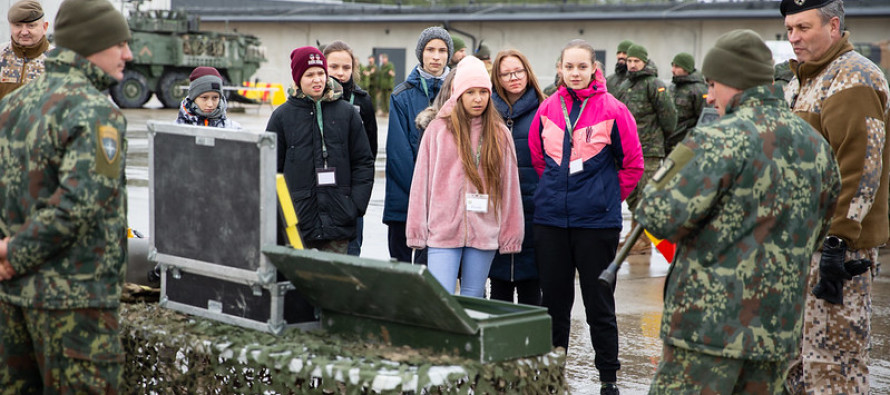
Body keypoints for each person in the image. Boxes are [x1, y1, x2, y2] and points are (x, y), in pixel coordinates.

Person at [635, 29, 841, 394]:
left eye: (713, 84)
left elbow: (655, 214)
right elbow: (818, 231)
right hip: (776, 332)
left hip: (706, 334)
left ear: (735, 81)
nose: (709, 95)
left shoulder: (717, 140)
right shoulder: (818, 147)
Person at [0, 0, 133, 392]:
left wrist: (7, 256)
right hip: (75, 304)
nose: (128, 54)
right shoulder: (95, 111)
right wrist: (14, 253)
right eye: (119, 43)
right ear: (92, 44)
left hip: (12, 296)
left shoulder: (12, 105)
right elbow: (78, 205)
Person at [779, 1, 890, 393]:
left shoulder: (853, 77)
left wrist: (838, 241)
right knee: (797, 368)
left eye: (803, 27)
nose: (794, 37)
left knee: (834, 368)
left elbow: (861, 166)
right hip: (800, 244)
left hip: (835, 252)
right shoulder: (803, 80)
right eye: (789, 28)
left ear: (833, 26)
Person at [529, 39, 643, 395]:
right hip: (551, 223)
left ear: (595, 69)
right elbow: (538, 160)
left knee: (599, 306)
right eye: (569, 67)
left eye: (582, 67)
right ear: (560, 69)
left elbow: (633, 165)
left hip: (596, 226)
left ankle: (608, 378)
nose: (575, 73)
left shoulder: (614, 109)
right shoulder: (547, 108)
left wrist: (605, 200)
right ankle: (551, 375)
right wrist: (557, 196)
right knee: (554, 305)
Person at [406, 56, 523, 298]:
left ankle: (470, 337)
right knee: (442, 297)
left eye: (483, 92)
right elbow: (421, 184)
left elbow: (510, 187)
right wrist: (416, 230)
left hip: (484, 228)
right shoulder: (437, 130)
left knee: (473, 296)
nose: (478, 98)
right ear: (458, 93)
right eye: (470, 92)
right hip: (443, 229)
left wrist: (511, 234)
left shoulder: (499, 133)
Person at [266, 46, 374, 254]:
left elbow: (363, 162)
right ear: (298, 79)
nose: (317, 79)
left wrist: (354, 206)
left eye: (321, 73)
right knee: (298, 284)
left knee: (336, 284)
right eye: (309, 75)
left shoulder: (348, 114)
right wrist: (281, 213)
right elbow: (270, 170)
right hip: (297, 223)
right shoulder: (282, 117)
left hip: (339, 220)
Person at [384, 26, 453, 264]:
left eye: (442, 50)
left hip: (444, 201)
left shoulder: (458, 93)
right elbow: (397, 153)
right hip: (405, 198)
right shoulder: (402, 95)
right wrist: (420, 190)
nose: (436, 56)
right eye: (430, 49)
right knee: (402, 270)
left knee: (434, 269)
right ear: (420, 53)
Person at [487, 49, 547, 306]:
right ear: (497, 79)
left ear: (528, 72)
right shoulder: (487, 111)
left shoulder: (545, 109)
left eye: (518, 71)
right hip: (496, 209)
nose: (513, 78)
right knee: (498, 287)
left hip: (534, 208)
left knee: (531, 287)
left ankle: (530, 346)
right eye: (506, 73)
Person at [614, 43, 677, 255]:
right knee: (631, 195)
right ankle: (636, 236)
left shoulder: (654, 84)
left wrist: (662, 140)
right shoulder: (625, 85)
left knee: (644, 195)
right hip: (628, 149)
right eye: (630, 61)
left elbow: (668, 116)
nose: (632, 65)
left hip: (649, 149)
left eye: (636, 61)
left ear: (644, 61)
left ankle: (642, 240)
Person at [323, 40, 378, 257]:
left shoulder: (362, 102)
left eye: (346, 68)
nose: (340, 73)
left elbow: (370, 152)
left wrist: (358, 199)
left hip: (350, 195)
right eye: (334, 67)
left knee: (351, 254)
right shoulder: (314, 101)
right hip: (321, 194)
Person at [0, 0, 52, 100]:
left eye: (31, 26)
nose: (24, 32)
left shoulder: (58, 60)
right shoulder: (1, 54)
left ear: (44, 27)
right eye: (18, 25)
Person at [175, 66, 241, 129]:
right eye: (204, 98)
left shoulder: (234, 130)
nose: (210, 104)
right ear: (193, 98)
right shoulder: (175, 129)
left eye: (215, 98)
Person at [667, 52, 707, 152]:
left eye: (677, 67)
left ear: (686, 68)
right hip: (669, 144)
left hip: (687, 145)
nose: (673, 70)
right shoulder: (672, 87)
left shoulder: (699, 89)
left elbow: (704, 119)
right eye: (673, 66)